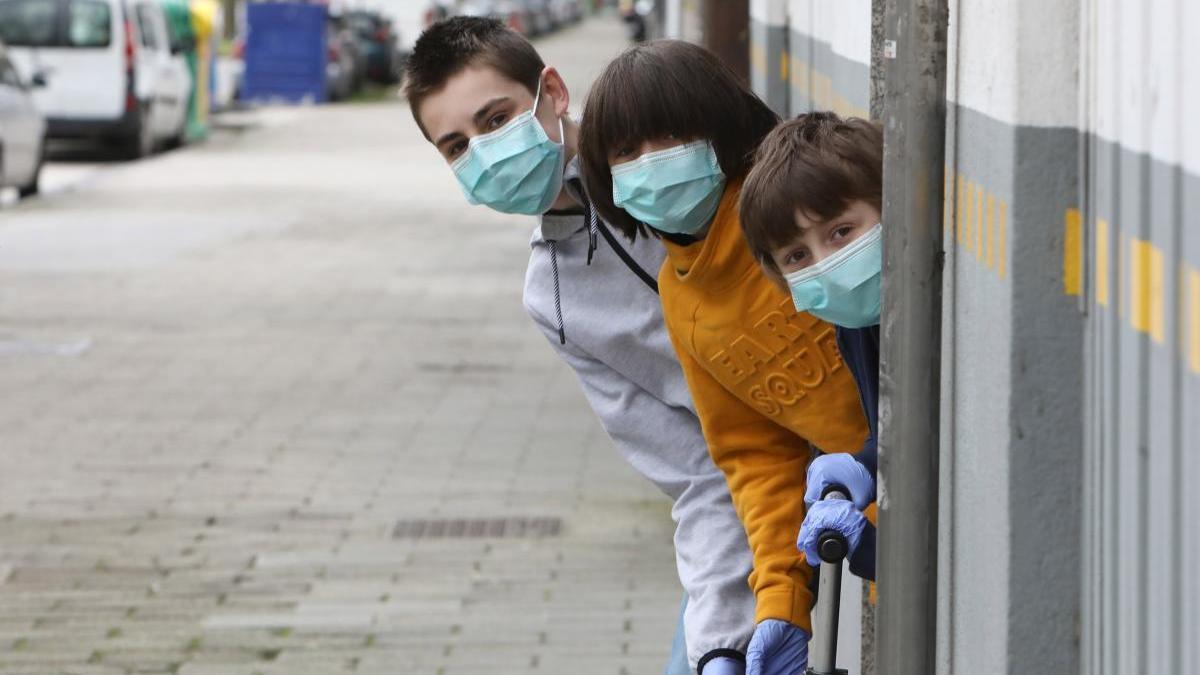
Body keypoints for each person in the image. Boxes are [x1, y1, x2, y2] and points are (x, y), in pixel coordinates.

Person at [403, 18, 757, 675]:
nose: (483, 151)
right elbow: (691, 471)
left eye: (495, 118)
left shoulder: (665, 162)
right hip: (750, 501)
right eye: (455, 146)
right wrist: (720, 642)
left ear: (554, 92)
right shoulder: (555, 297)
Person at [578, 42, 870, 675]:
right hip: (866, 520)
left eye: (672, 136)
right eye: (627, 152)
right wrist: (780, 606)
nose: (651, 164)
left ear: (722, 127)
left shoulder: (795, 215)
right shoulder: (681, 297)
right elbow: (757, 457)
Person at [738, 113, 884, 581]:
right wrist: (865, 465)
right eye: (797, 256)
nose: (829, 264)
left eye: (842, 231)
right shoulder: (856, 322)